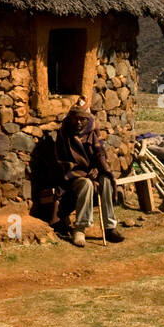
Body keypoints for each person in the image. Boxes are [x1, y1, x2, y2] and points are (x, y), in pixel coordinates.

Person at [53, 100, 124, 247]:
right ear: (70, 118)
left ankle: (110, 227)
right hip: (74, 177)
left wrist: (97, 169)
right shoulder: (64, 135)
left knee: (105, 181)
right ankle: (80, 229)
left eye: (82, 119)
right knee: (86, 184)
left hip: (93, 174)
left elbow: (100, 156)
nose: (79, 122)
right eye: (76, 119)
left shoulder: (92, 133)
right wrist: (84, 174)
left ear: (88, 119)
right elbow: (62, 163)